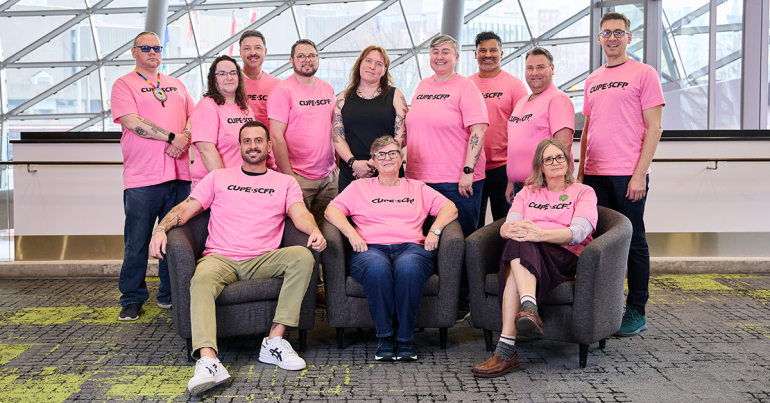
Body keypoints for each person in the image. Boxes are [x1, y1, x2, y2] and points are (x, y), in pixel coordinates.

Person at [148, 121, 326, 395]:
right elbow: (186, 209)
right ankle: (208, 360)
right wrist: (161, 229)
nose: (253, 146)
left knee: (303, 256)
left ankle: (274, 342)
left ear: (268, 146)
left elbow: (299, 213)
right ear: (239, 146)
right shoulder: (219, 177)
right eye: (247, 141)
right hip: (220, 258)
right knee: (201, 281)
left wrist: (314, 230)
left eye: (258, 141)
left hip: (264, 258)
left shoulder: (285, 182)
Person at [324, 136, 458, 361]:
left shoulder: (417, 187)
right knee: (377, 268)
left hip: (411, 248)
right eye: (381, 154)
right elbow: (331, 211)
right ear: (373, 161)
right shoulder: (359, 187)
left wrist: (435, 230)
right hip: (370, 249)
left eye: (393, 153)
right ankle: (385, 339)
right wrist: (352, 234)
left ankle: (405, 340)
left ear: (401, 158)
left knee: (409, 269)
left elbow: (450, 207)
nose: (387, 158)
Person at [473, 138, 598, 377]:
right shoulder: (527, 193)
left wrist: (540, 233)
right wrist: (505, 230)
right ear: (540, 166)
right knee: (517, 240)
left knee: (521, 244)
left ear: (568, 161)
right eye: (548, 159)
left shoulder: (583, 192)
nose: (555, 162)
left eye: (560, 157)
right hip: (530, 253)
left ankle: (507, 349)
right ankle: (527, 312)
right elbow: (510, 224)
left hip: (565, 257)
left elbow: (578, 232)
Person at [578, 12, 665, 337]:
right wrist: (581, 173)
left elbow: (654, 127)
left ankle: (636, 310)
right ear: (599, 38)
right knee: (596, 241)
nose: (612, 38)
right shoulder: (593, 79)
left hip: (627, 174)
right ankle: (604, 306)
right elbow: (588, 130)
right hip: (595, 175)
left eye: (618, 32)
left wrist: (639, 175)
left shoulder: (644, 73)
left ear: (629, 37)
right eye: (606, 33)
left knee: (634, 241)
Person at [111, 31, 194, 321]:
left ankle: (170, 294)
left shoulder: (176, 84)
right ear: (134, 52)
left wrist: (184, 136)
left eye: (157, 48)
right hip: (142, 179)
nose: (152, 52)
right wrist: (172, 137)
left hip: (180, 176)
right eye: (145, 48)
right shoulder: (124, 85)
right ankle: (132, 298)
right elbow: (133, 123)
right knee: (137, 242)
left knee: (176, 240)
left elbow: (195, 116)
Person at [404, 35, 488, 313]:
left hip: (457, 182)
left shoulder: (467, 87)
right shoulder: (422, 86)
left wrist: (467, 171)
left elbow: (478, 130)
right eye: (435, 52)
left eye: (446, 52)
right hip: (420, 181)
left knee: (459, 244)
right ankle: (435, 299)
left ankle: (463, 302)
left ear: (457, 56)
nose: (439, 57)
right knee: (427, 242)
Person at [267, 38, 337, 225]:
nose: (307, 59)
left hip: (329, 177)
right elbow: (276, 136)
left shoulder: (327, 88)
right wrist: (289, 177)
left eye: (311, 55)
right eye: (301, 56)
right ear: (292, 60)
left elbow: (334, 129)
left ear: (318, 58)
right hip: (299, 177)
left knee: (327, 231)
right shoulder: (282, 91)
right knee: (300, 231)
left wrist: (335, 169)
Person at [469, 31, 528, 229]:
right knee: (473, 225)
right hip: (473, 168)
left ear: (501, 53)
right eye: (482, 50)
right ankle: (476, 261)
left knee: (505, 224)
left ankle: (504, 261)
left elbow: (523, 130)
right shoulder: (466, 85)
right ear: (475, 54)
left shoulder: (514, 86)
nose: (488, 54)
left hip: (504, 168)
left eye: (493, 50)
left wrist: (515, 174)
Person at [332, 45, 409, 192]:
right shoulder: (343, 97)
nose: (372, 66)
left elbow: (401, 136)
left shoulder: (395, 95)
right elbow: (337, 137)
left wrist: (376, 161)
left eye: (379, 64)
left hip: (387, 171)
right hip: (352, 173)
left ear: (384, 70)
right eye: (368, 61)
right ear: (360, 63)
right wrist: (354, 163)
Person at [506, 47, 575, 203]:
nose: (534, 72)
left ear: (552, 69)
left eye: (540, 67)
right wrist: (511, 180)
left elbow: (563, 145)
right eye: (530, 68)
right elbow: (515, 146)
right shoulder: (523, 101)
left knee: (542, 228)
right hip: (520, 187)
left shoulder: (558, 99)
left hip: (544, 186)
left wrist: (542, 178)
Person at [190, 55, 254, 188]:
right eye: (222, 74)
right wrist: (227, 186)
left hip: (242, 184)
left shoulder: (245, 106)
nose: (229, 77)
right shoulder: (206, 107)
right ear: (214, 79)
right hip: (216, 187)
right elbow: (206, 150)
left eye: (232, 73)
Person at [239, 30, 281, 127]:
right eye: (247, 48)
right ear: (240, 53)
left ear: (265, 52)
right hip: (238, 141)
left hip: (268, 141)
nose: (253, 53)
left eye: (258, 48)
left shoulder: (277, 85)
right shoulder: (231, 83)